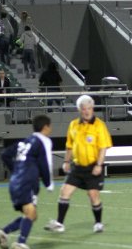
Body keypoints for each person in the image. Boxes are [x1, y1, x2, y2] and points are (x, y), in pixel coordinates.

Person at [44, 94, 112, 234]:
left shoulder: (99, 125)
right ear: (79, 110)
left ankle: (98, 223)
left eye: (88, 108)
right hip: (77, 166)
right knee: (64, 191)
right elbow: (69, 145)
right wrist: (66, 161)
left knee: (93, 195)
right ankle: (60, 224)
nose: (86, 111)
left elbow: (103, 147)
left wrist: (99, 165)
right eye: (83, 109)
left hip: (93, 166)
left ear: (92, 108)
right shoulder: (73, 124)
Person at [0, 114, 54, 249]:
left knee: (32, 215)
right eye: (50, 127)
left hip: (15, 182)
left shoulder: (25, 141)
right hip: (27, 182)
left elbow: (5, 154)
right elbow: (45, 163)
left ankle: (4, 232)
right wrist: (48, 182)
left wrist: (15, 170)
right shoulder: (43, 141)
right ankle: (21, 242)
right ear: (45, 127)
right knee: (30, 214)